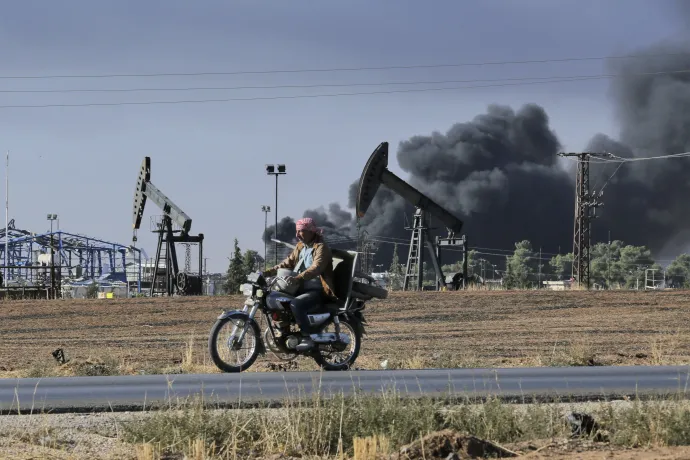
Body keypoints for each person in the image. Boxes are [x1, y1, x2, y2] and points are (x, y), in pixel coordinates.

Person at [262, 217, 337, 351]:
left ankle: (307, 337)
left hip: (318, 290)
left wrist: (298, 278)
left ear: (311, 231)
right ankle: (283, 332)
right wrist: (268, 272)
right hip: (300, 288)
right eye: (297, 231)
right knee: (277, 300)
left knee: (296, 304)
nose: (297, 235)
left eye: (301, 231)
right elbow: (288, 262)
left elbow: (316, 268)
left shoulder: (321, 248)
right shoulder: (301, 246)